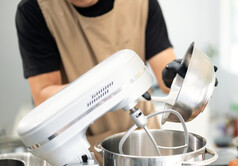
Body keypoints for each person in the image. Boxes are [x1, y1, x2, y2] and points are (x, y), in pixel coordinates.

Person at [15, 0, 182, 157]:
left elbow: (168, 81)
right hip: (86, 153)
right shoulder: (36, 10)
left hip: (145, 142)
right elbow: (44, 98)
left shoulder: (140, 3)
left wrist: (182, 75)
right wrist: (110, 87)